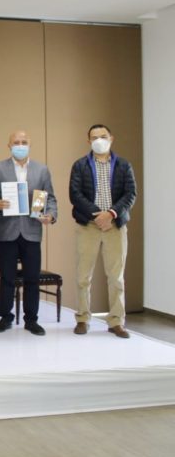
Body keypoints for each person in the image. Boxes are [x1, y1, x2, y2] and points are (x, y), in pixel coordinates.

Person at [69, 124, 136, 338]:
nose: (99, 140)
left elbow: (130, 194)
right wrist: (97, 215)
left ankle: (116, 321)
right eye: (94, 137)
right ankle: (82, 318)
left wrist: (111, 214)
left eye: (103, 136)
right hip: (88, 225)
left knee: (116, 277)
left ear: (111, 138)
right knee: (83, 276)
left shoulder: (124, 165)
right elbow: (75, 194)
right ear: (88, 141)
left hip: (115, 226)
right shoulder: (80, 165)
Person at [0, 130, 57, 336]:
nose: (20, 145)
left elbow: (50, 198)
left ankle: (31, 320)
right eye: (16, 142)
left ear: (30, 144)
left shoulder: (42, 170)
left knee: (32, 278)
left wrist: (50, 215)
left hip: (32, 231)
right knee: (6, 277)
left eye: (24, 142)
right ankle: (5, 317)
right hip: (7, 231)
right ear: (9, 146)